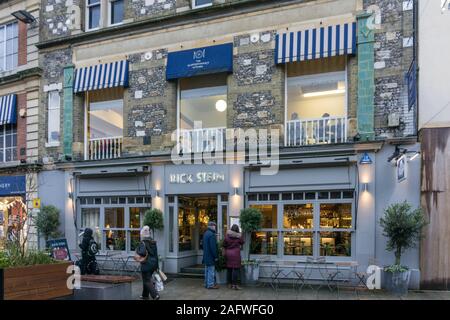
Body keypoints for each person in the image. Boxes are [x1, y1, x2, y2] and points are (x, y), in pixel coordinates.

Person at [136, 226, 160, 300]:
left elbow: (142, 253)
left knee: (147, 280)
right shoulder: (153, 241)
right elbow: (156, 254)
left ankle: (155, 295)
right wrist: (157, 266)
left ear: (143, 234)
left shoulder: (142, 242)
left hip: (146, 264)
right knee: (146, 279)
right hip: (153, 264)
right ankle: (145, 295)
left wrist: (137, 250)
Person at [223, 224, 245, 290]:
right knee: (235, 269)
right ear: (237, 229)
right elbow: (242, 242)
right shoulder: (239, 236)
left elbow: (224, 244)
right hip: (236, 254)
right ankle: (234, 285)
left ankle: (229, 284)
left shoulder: (227, 236)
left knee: (229, 269)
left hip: (228, 254)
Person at [202, 221, 219, 289]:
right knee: (211, 271)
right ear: (212, 226)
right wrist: (216, 256)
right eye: (215, 226)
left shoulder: (205, 233)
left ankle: (206, 284)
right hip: (210, 256)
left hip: (206, 255)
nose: (215, 227)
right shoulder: (212, 234)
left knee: (207, 271)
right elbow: (213, 247)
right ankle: (211, 284)